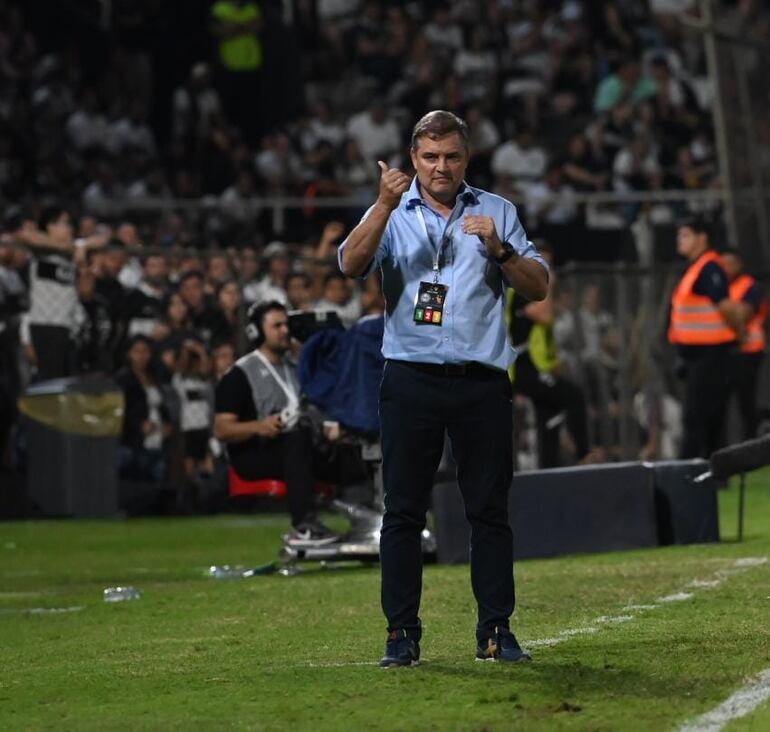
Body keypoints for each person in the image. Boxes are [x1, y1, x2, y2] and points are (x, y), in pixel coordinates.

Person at [339, 110, 549, 667]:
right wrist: (382, 204)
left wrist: (502, 250)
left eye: (451, 156)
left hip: (481, 381)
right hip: (410, 379)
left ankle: (495, 630)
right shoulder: (392, 211)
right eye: (430, 157)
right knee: (403, 512)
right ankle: (401, 635)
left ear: (466, 158)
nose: (440, 167)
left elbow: (539, 286)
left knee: (489, 511)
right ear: (413, 158)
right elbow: (350, 263)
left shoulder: (495, 211)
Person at [213, 301, 339, 545]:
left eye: (286, 325)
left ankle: (369, 515)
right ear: (256, 332)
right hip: (253, 453)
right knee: (298, 440)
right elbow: (222, 428)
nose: (285, 331)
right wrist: (258, 426)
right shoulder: (240, 373)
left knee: (344, 445)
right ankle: (304, 526)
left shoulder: (296, 368)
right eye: (277, 326)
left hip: (297, 445)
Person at [668, 218, 744, 458]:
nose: (681, 241)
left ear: (702, 238)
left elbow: (726, 307)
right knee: (709, 416)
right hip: (697, 355)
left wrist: (739, 331)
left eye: (686, 235)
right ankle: (713, 474)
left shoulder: (709, 267)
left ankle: (686, 472)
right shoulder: (696, 268)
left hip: (711, 354)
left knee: (695, 416)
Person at [722, 250, 767, 440]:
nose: (726, 269)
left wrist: (724, 311)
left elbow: (744, 314)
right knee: (719, 405)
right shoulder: (718, 286)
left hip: (749, 351)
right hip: (724, 352)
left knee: (746, 403)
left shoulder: (749, 286)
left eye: (731, 263)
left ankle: (750, 444)